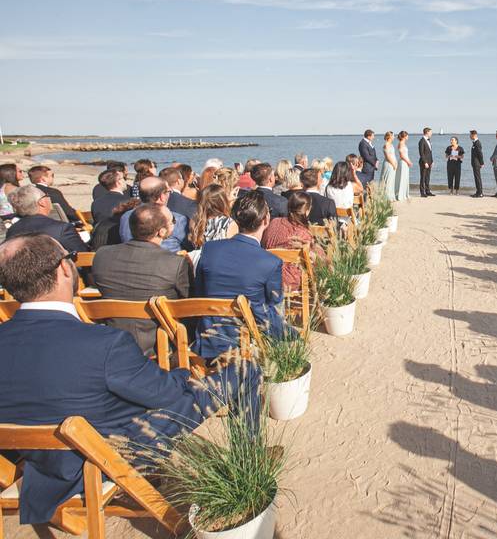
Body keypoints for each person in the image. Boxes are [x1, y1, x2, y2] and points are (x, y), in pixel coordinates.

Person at [0, 234, 260, 526]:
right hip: (108, 457)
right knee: (244, 371)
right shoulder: (102, 344)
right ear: (63, 268)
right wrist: (185, 374)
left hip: (40, 472)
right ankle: (249, 462)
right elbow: (169, 397)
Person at [194, 191, 284, 359]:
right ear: (266, 220)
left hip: (208, 338)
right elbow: (275, 309)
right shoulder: (270, 262)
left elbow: (200, 292)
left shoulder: (210, 249)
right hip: (245, 339)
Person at [92, 205, 192, 353]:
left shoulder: (102, 255)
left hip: (113, 337)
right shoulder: (174, 263)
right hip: (160, 343)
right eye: (172, 222)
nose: (173, 224)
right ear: (162, 231)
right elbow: (187, 302)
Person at [5, 185, 89, 252]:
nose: (49, 198)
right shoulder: (62, 229)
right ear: (41, 202)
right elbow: (83, 254)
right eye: (47, 195)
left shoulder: (13, 229)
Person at [261, 191, 316, 288]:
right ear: (307, 211)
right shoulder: (304, 234)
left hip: (267, 274)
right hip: (290, 281)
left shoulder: (274, 222)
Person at [188, 183, 238, 253]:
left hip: (199, 261)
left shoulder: (195, 220)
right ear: (223, 201)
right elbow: (233, 250)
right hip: (219, 262)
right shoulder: (228, 223)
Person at [380, 131, 398, 201]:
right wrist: (393, 164)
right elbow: (387, 156)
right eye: (393, 136)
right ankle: (386, 197)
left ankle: (391, 196)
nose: (394, 137)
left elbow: (393, 155)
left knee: (391, 180)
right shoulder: (386, 145)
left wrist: (395, 163)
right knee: (388, 179)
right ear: (389, 136)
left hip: (393, 163)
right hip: (388, 164)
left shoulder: (391, 145)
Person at [419, 127, 435, 197]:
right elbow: (421, 153)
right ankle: (422, 193)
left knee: (428, 177)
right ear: (427, 132)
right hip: (423, 162)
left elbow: (430, 153)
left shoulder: (429, 140)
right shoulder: (421, 141)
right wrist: (425, 162)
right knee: (423, 177)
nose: (431, 133)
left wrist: (432, 161)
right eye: (431, 132)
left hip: (429, 162)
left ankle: (428, 191)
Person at [396, 131, 412, 202]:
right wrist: (408, 161)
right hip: (403, 162)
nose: (408, 137)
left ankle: (405, 193)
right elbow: (401, 155)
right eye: (407, 136)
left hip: (405, 162)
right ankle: (400, 194)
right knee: (402, 177)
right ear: (404, 136)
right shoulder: (401, 143)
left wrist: (409, 160)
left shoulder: (403, 144)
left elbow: (405, 154)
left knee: (405, 177)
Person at [469, 130, 484, 197]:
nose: (469, 136)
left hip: (477, 163)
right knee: (476, 177)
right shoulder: (474, 143)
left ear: (474, 135)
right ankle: (478, 191)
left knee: (478, 178)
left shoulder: (477, 143)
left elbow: (480, 153)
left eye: (470, 135)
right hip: (474, 163)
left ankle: (480, 193)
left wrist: (482, 163)